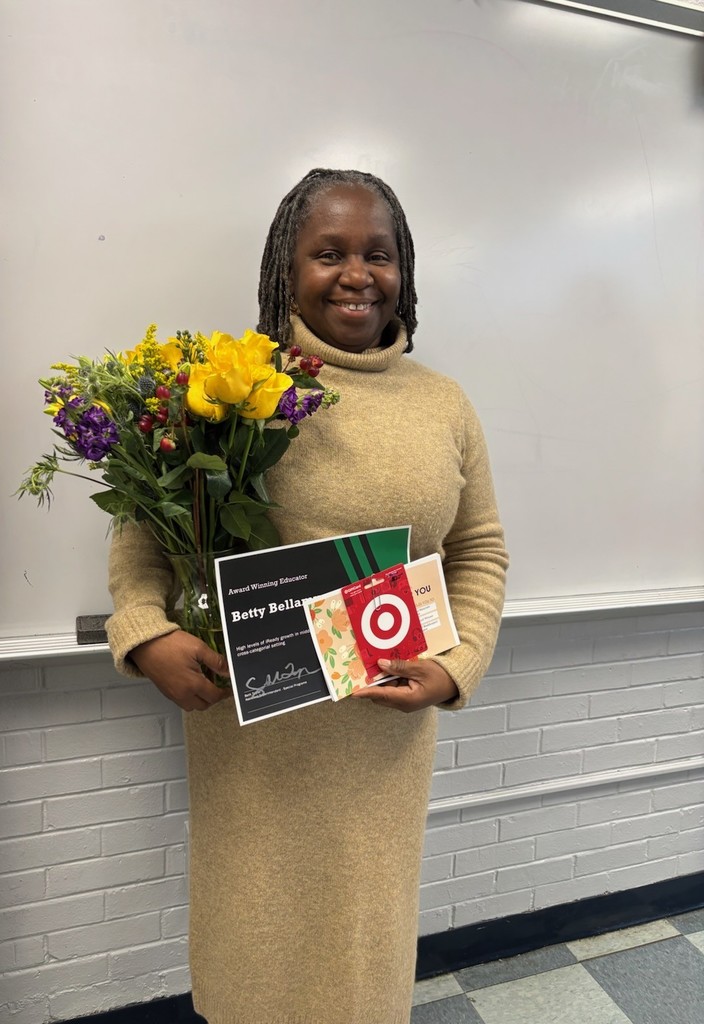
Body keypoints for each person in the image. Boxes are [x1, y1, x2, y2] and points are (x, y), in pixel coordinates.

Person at [106, 168, 508, 1024]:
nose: (357, 274)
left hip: (381, 741)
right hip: (252, 747)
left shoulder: (444, 403)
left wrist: (458, 664)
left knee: (363, 963)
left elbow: (478, 550)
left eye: (379, 254)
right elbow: (144, 527)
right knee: (255, 963)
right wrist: (144, 633)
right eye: (329, 253)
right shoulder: (226, 385)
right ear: (285, 271)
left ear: (405, 270)